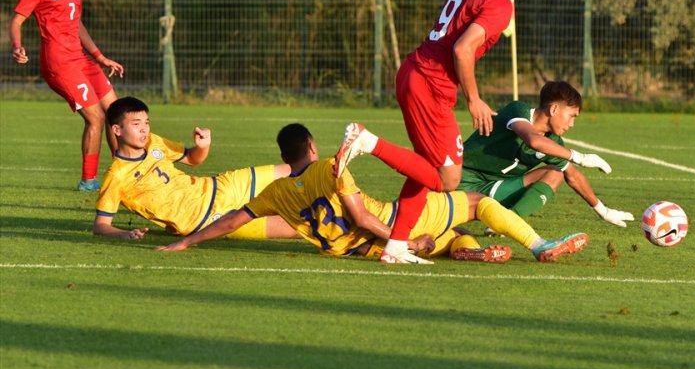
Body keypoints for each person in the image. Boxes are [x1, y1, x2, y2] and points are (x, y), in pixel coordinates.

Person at [336, 0, 536, 263]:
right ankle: (367, 141)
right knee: (448, 178)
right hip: (431, 86)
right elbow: (462, 49)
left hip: (414, 74)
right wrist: (474, 99)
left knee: (426, 167)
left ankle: (396, 245)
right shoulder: (500, 2)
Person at [160, 123, 588, 264]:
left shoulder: (274, 192)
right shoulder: (330, 171)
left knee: (455, 233)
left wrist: (186, 241)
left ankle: (466, 251)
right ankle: (539, 244)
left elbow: (232, 220)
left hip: (354, 251)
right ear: (311, 147)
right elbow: (364, 218)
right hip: (390, 224)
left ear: (284, 155)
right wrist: (399, 243)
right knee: (477, 203)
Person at [9, 0, 124, 191]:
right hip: (58, 63)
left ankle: (124, 174)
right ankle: (88, 181)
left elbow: (76, 23)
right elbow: (16, 21)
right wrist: (17, 45)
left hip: (81, 59)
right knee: (95, 117)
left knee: (117, 113)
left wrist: (100, 56)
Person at [93, 96, 298, 242]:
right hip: (207, 220)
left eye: (146, 122)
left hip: (221, 186)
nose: (144, 129)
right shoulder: (116, 175)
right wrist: (123, 234)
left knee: (292, 169)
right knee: (297, 227)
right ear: (117, 130)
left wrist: (203, 146)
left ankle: (329, 181)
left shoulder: (154, 142)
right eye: (136, 124)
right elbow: (100, 226)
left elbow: (192, 159)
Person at [458, 80, 634, 229]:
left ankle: (508, 224)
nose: (571, 124)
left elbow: (573, 177)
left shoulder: (554, 143)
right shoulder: (518, 110)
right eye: (571, 116)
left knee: (555, 173)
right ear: (554, 109)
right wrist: (581, 157)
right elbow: (533, 140)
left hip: (490, 191)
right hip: (459, 181)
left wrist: (603, 211)